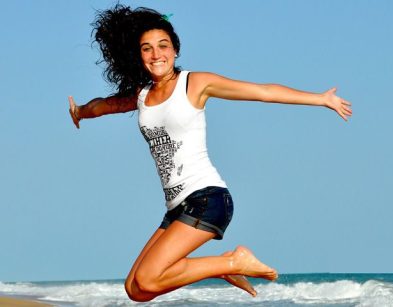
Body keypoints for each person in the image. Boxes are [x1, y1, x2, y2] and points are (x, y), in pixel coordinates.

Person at [67, 4, 352, 302]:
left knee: (149, 278)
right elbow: (105, 105)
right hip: (177, 207)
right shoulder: (142, 95)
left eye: (163, 46)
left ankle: (233, 261)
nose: (156, 54)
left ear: (175, 50)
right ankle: (222, 266)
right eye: (147, 49)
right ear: (138, 56)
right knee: (135, 288)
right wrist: (81, 112)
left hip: (206, 199)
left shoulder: (195, 83)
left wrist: (320, 99)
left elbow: (262, 91)